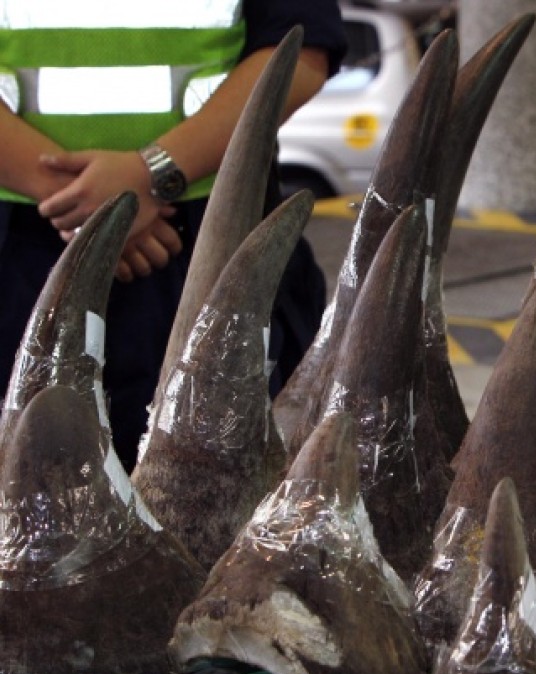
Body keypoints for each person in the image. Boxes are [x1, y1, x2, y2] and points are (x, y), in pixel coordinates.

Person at [0, 1, 347, 470]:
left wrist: (150, 175)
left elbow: (302, 48)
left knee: (215, 495)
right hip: (27, 255)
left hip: (207, 251)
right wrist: (98, 204)